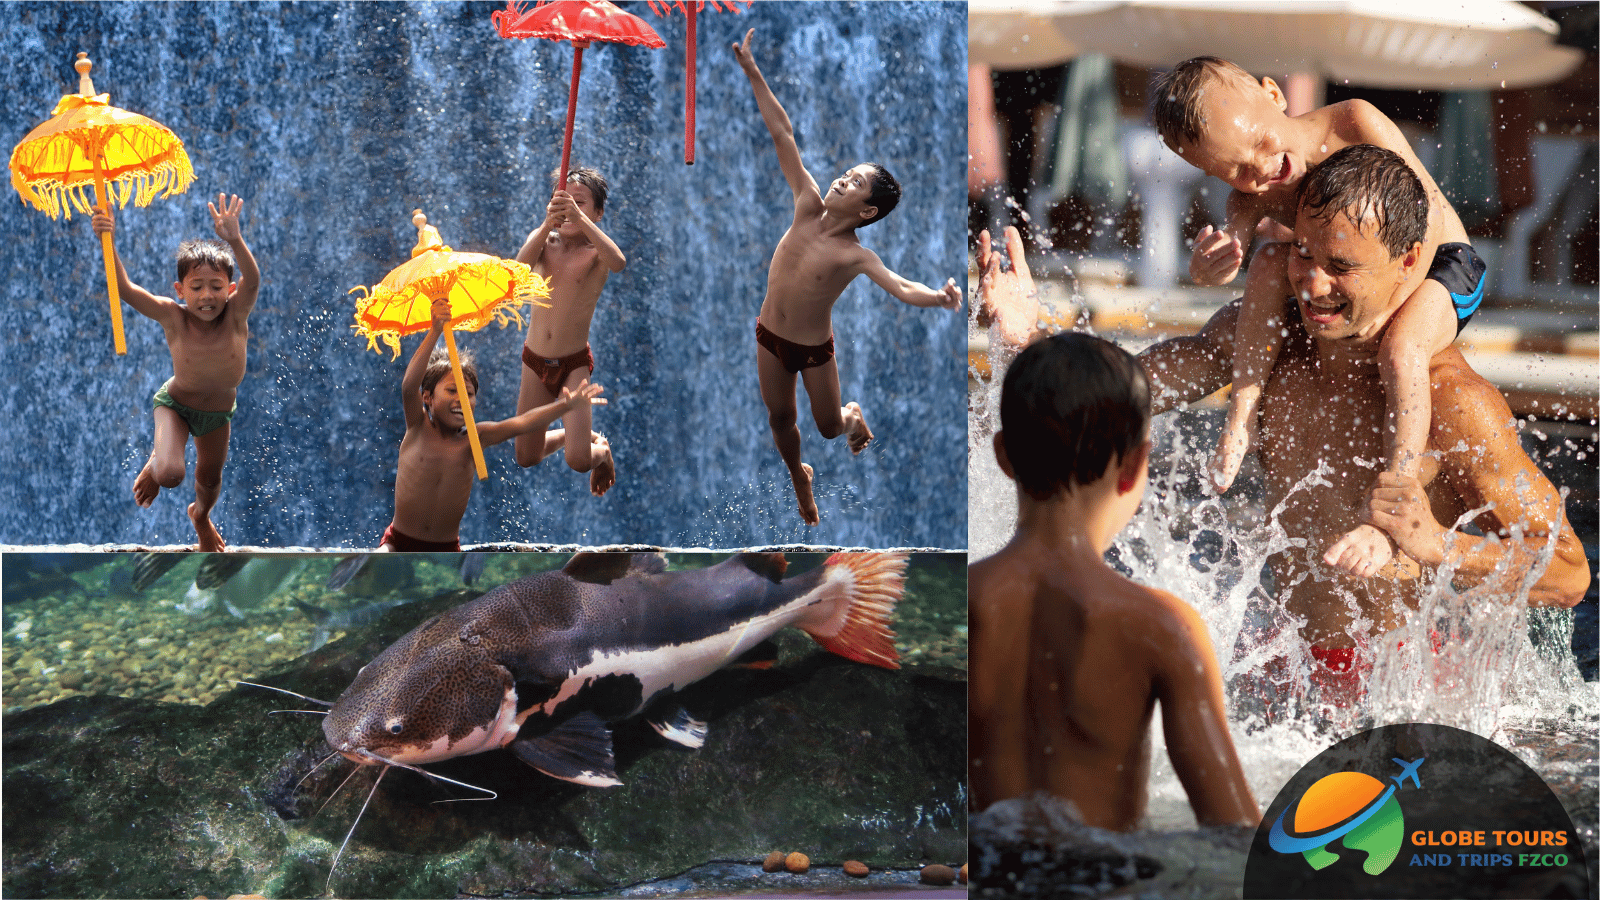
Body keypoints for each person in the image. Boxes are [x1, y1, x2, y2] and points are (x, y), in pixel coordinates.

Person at [978, 147, 1589, 707]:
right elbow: (1117, 395)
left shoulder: (1454, 402)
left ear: (1407, 264)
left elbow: (1567, 574)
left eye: (1341, 267)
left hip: (1418, 686)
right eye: (1303, 253)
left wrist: (1434, 544)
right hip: (1296, 668)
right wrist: (1030, 341)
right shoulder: (1268, 345)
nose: (1312, 285)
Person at [1152, 57, 1486, 579]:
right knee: (1266, 265)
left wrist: (1382, 315)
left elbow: (1419, 218)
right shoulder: (1252, 187)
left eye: (1261, 142)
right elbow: (1238, 234)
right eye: (1235, 170)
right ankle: (1241, 419)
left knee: (1402, 352)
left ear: (1274, 91)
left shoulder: (1354, 123)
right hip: (1354, 280)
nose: (1260, 170)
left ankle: (1393, 504)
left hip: (1438, 265)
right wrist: (1216, 263)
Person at [968, 325, 1259, 829]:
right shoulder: (1162, 627)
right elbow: (1236, 833)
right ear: (1136, 465)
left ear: (1004, 457)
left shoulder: (967, 599)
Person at [734, 28, 962, 525]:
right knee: (779, 419)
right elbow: (783, 134)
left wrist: (940, 297)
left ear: (867, 211)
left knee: (829, 428)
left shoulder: (855, 255)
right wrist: (753, 71)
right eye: (847, 173)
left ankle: (851, 415)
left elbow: (901, 286)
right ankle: (799, 476)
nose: (841, 179)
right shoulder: (806, 204)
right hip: (769, 336)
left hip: (815, 351)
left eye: (855, 182)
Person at [92, 194, 260, 552]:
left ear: (230, 290)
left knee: (210, 479)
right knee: (171, 474)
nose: (206, 296)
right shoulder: (173, 315)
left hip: (217, 413)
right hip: (175, 403)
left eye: (216, 287)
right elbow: (124, 289)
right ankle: (157, 464)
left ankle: (199, 517)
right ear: (180, 290)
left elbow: (254, 279)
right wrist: (108, 239)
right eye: (196, 288)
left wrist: (234, 239)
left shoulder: (235, 315)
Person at [383, 298, 606, 552]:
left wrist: (565, 406)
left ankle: (584, 441)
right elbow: (409, 386)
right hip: (397, 543)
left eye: (468, 393)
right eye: (452, 390)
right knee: (378, 560)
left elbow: (521, 423)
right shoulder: (417, 429)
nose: (461, 400)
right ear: (428, 398)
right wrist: (435, 331)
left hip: (447, 548)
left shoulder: (475, 438)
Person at [512, 166, 625, 497]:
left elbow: (618, 261)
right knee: (526, 456)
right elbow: (517, 272)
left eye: (581, 203)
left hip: (572, 365)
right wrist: (548, 223)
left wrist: (577, 217)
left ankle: (600, 450)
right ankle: (571, 435)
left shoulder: (596, 253)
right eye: (564, 201)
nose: (571, 209)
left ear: (598, 212)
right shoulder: (544, 241)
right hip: (535, 361)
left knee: (578, 461)